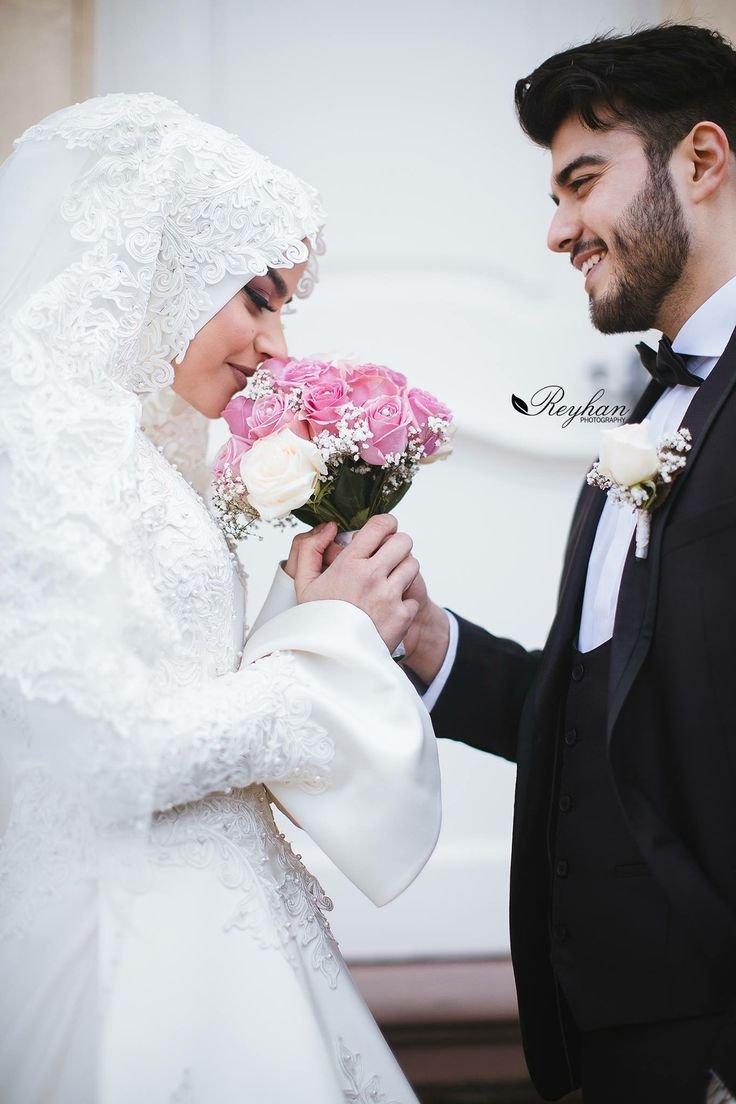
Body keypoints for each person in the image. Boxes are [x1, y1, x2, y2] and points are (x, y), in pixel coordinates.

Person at [0, 92, 440, 1104]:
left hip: (225, 917)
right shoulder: (41, 451)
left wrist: (306, 609)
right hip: (129, 947)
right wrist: (331, 648)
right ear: (165, 263)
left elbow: (179, 681)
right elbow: (111, 758)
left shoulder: (140, 456)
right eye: (257, 296)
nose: (277, 344)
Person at [399, 22, 736, 1104]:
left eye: (582, 183)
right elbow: (605, 706)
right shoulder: (644, 415)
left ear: (701, 159)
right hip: (609, 1032)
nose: (556, 231)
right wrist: (426, 643)